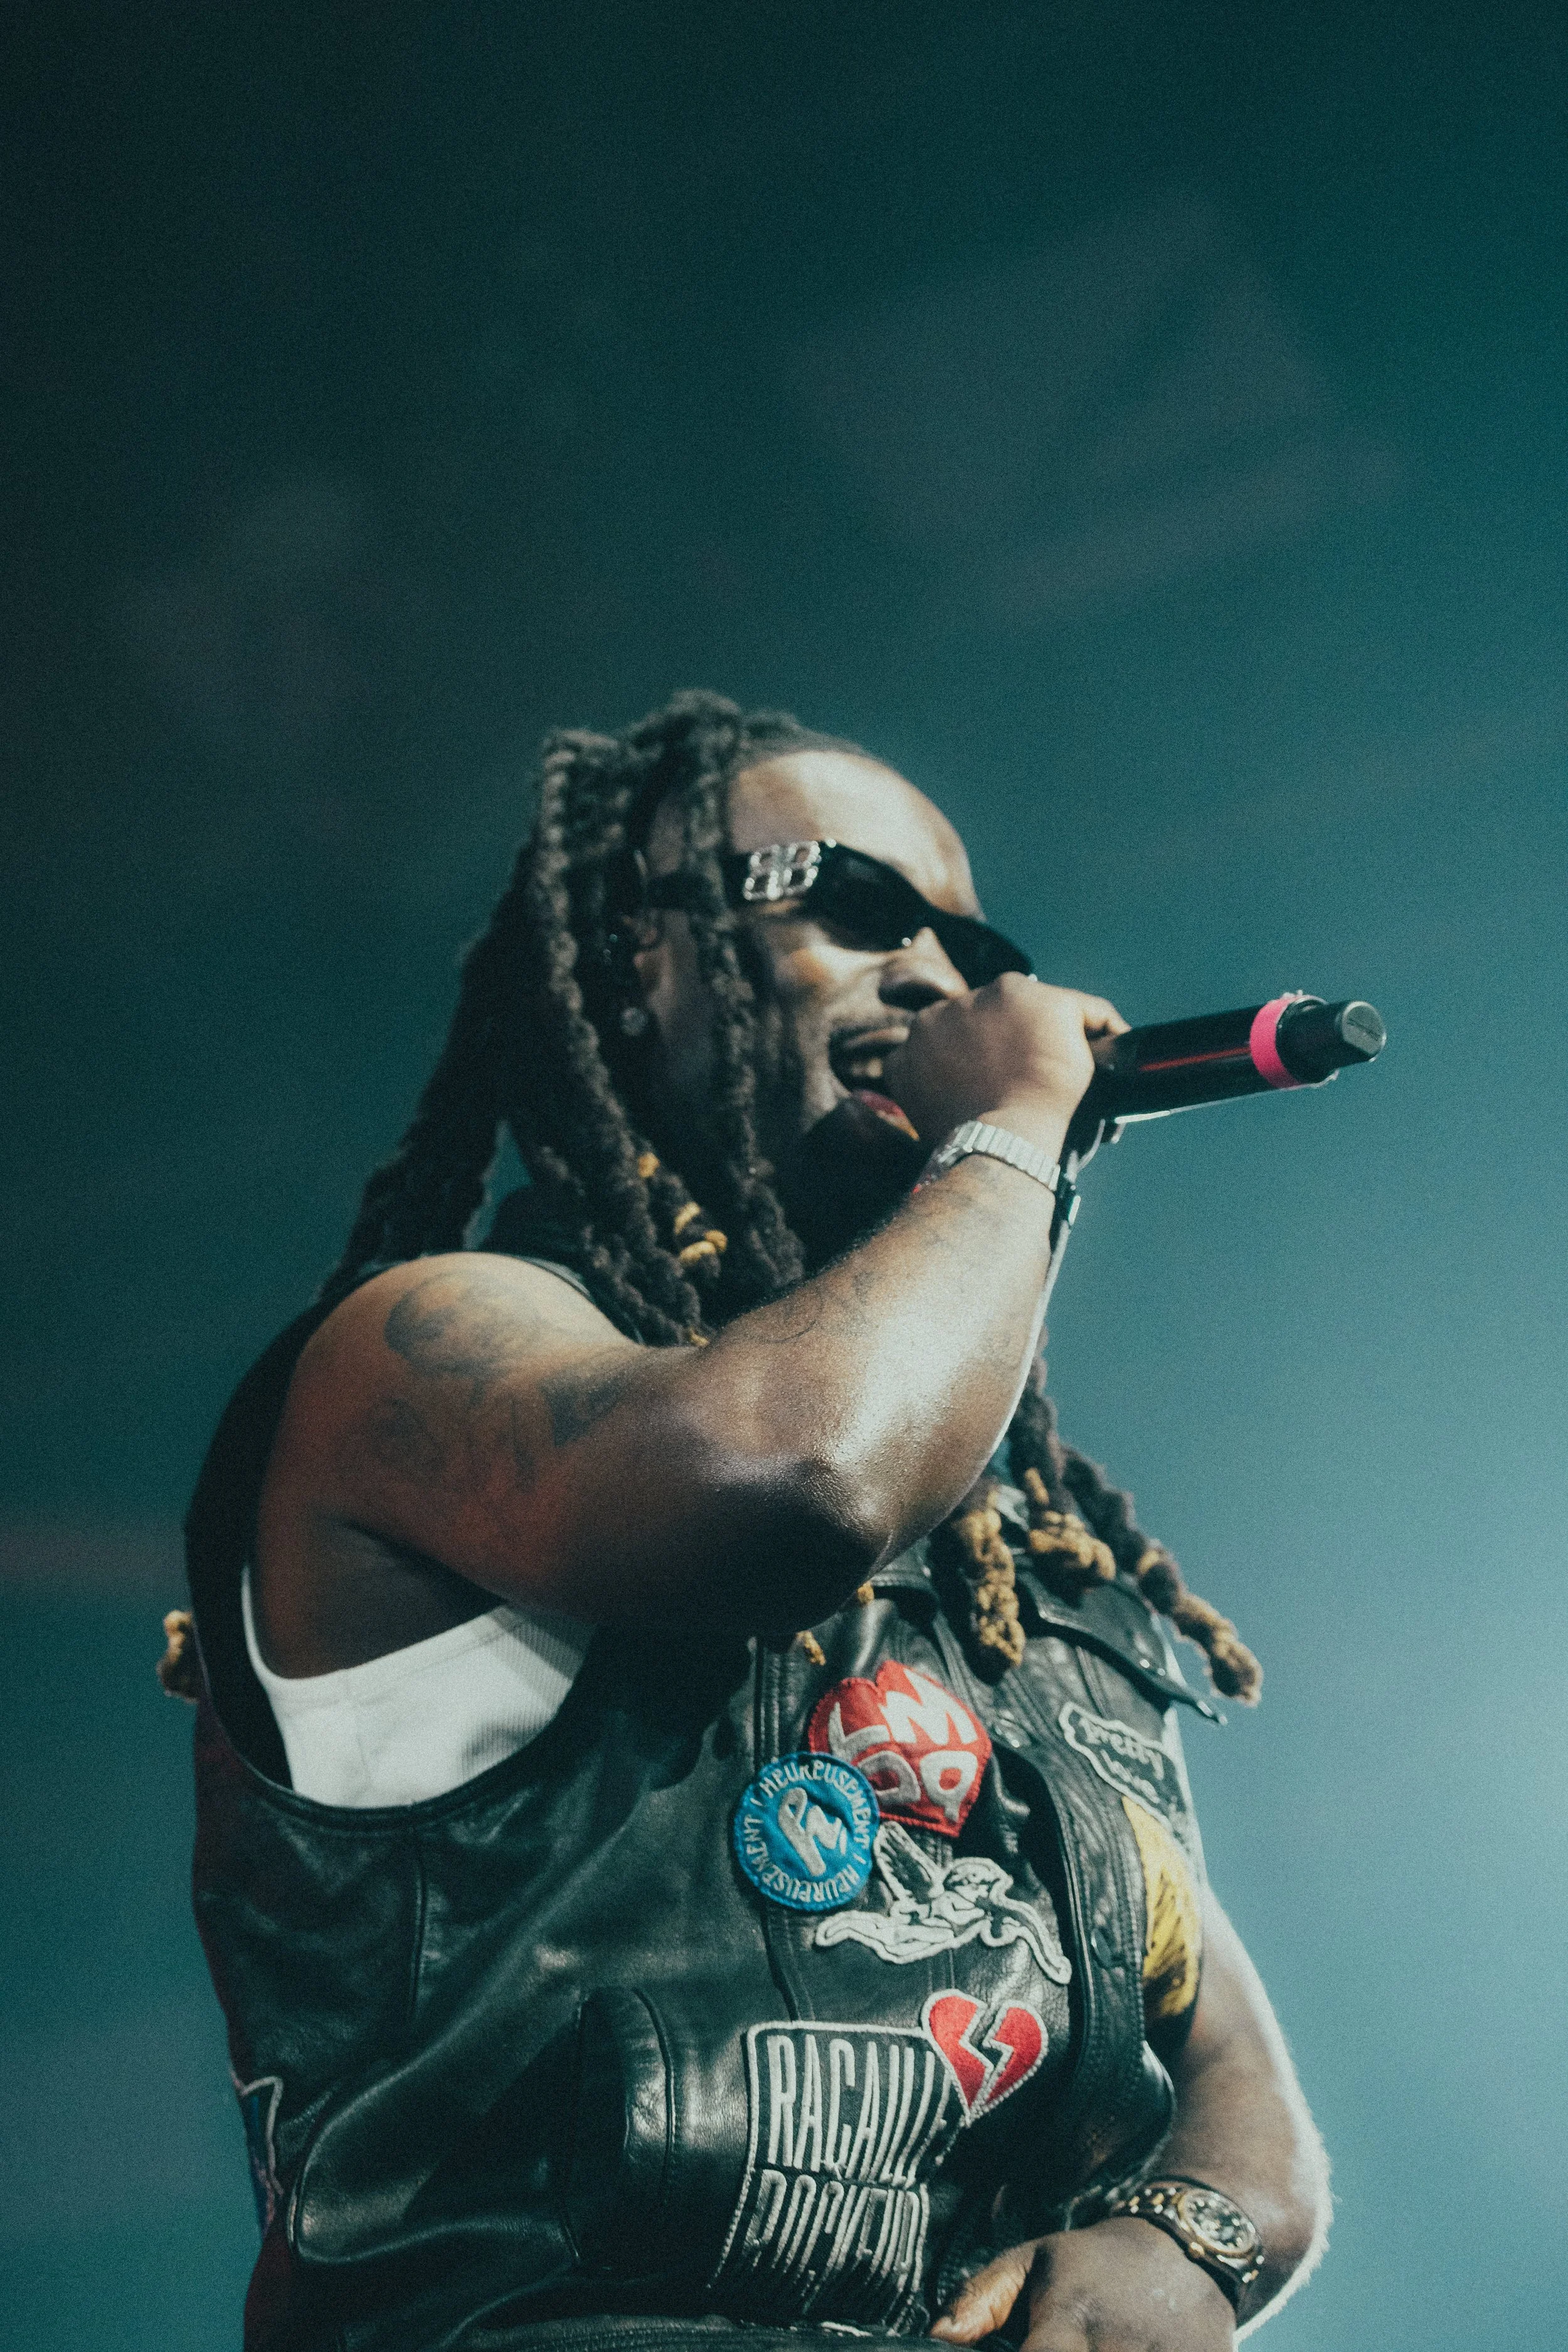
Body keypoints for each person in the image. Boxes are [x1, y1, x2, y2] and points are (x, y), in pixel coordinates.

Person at [167, 691, 1329, 2352]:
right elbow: (789, 1483)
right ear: (636, 960)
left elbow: (1228, 2068)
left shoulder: (1009, 1589)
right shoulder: (415, 1360)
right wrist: (1005, 1138)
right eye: (851, 906)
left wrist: (1191, 2238)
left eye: (965, 940)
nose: (940, 977)